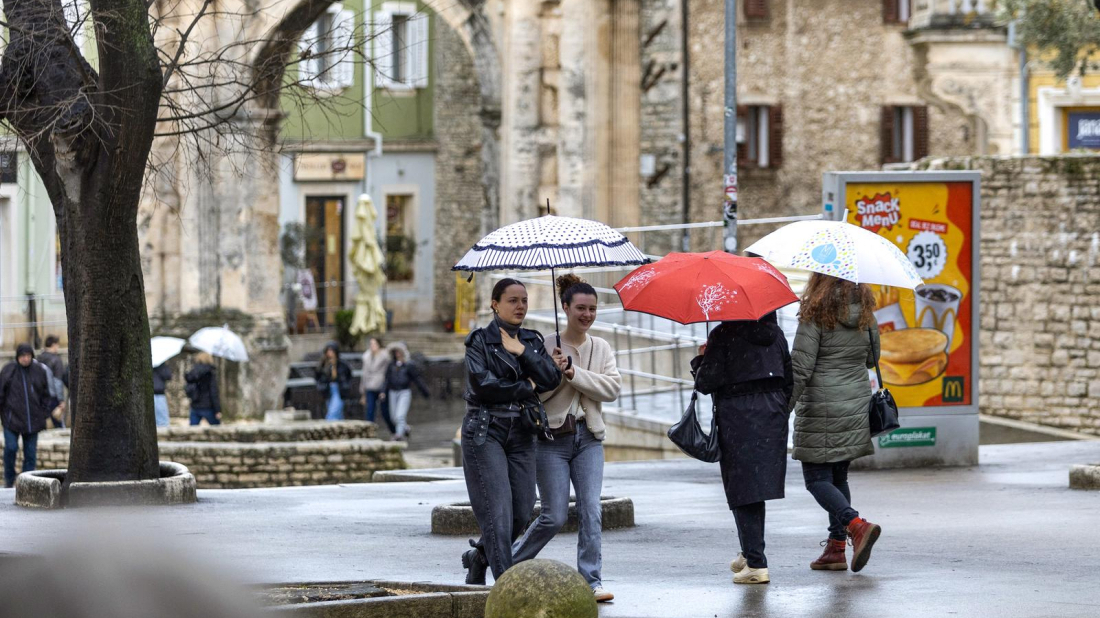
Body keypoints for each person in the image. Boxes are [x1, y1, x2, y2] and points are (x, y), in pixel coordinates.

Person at [512, 274, 621, 603]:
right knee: (553, 516)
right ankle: (509, 565)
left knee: (591, 510)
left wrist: (573, 372)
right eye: (580, 308)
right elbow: (531, 395)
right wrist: (553, 372)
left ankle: (591, 580)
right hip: (551, 440)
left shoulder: (601, 347)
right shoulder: (544, 345)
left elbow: (611, 388)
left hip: (589, 437)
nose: (587, 314)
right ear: (565, 308)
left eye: (592, 309)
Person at [460, 278, 561, 585]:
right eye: (513, 300)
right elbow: (484, 386)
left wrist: (522, 351)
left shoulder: (531, 340)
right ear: (495, 304)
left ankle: (479, 556)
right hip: (485, 430)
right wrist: (527, 385)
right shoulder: (479, 341)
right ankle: (506, 588)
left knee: (522, 510)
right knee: (498, 513)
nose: (520, 306)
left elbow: (551, 378)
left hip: (523, 431)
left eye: (524, 300)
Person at [789, 273, 883, 573]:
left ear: (819, 280)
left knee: (817, 479)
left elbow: (800, 368)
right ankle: (836, 549)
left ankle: (856, 525)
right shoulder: (865, 313)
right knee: (838, 477)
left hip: (821, 406)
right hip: (855, 404)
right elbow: (871, 359)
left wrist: (781, 409)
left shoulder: (815, 314)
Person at [691, 312, 792, 585]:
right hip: (772, 416)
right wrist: (776, 409)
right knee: (755, 487)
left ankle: (757, 564)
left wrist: (702, 359)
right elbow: (789, 381)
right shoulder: (777, 335)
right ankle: (749, 553)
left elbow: (706, 383)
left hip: (738, 416)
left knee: (743, 490)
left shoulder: (723, 334)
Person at [0, 344, 53, 487]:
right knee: (11, 448)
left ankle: (26, 482)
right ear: (18, 357)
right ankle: (9, 479)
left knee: (30, 454)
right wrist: (4, 414)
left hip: (32, 421)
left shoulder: (39, 371)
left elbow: (46, 394)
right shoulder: (9, 370)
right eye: (23, 356)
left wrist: (44, 413)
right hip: (11, 420)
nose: (25, 359)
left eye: (28, 356)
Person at [379, 345, 429, 441]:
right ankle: (405, 428)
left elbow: (417, 379)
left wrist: (425, 391)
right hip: (393, 392)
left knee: (400, 416)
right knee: (394, 417)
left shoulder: (409, 365)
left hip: (404, 391)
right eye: (396, 352)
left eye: (399, 351)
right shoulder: (391, 365)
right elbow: (387, 379)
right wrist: (383, 391)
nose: (397, 354)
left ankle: (398, 435)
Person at [360, 337, 393, 432]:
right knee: (370, 410)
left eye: (374, 344)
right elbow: (364, 374)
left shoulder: (385, 357)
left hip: (381, 387)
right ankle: (369, 431)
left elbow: (388, 374)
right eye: (371, 344)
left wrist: (385, 388)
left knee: (385, 411)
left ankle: (393, 430)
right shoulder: (367, 357)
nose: (372, 346)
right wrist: (363, 391)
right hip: (369, 386)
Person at [315, 342, 352, 421]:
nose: (330, 353)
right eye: (328, 351)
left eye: (332, 351)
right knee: (337, 413)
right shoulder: (323, 365)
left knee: (333, 412)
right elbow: (318, 377)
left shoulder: (342, 365)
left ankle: (328, 424)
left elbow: (348, 376)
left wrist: (346, 386)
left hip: (339, 389)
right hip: (327, 389)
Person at [38, 335, 67, 428]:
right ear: (54, 345)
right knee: (59, 423)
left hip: (39, 395)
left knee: (40, 423)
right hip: (52, 396)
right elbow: (57, 381)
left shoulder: (38, 358)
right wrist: (61, 400)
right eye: (58, 345)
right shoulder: (56, 360)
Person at [185, 353, 221, 426]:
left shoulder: (193, 372)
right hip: (208, 405)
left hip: (195, 404)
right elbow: (213, 392)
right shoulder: (210, 373)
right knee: (217, 427)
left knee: (193, 429)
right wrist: (217, 410)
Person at [153, 362, 173, 427]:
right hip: (158, 393)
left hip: (151, 392)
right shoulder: (161, 365)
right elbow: (168, 375)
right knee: (163, 422)